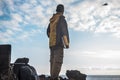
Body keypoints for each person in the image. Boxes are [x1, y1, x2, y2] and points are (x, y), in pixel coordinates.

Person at [47, 4, 70, 80]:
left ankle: (52, 77)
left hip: (51, 44)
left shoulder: (52, 20)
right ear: (62, 11)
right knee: (58, 62)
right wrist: (66, 44)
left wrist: (52, 39)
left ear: (56, 10)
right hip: (59, 44)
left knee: (53, 61)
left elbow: (48, 32)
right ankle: (54, 78)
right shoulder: (61, 19)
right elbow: (64, 32)